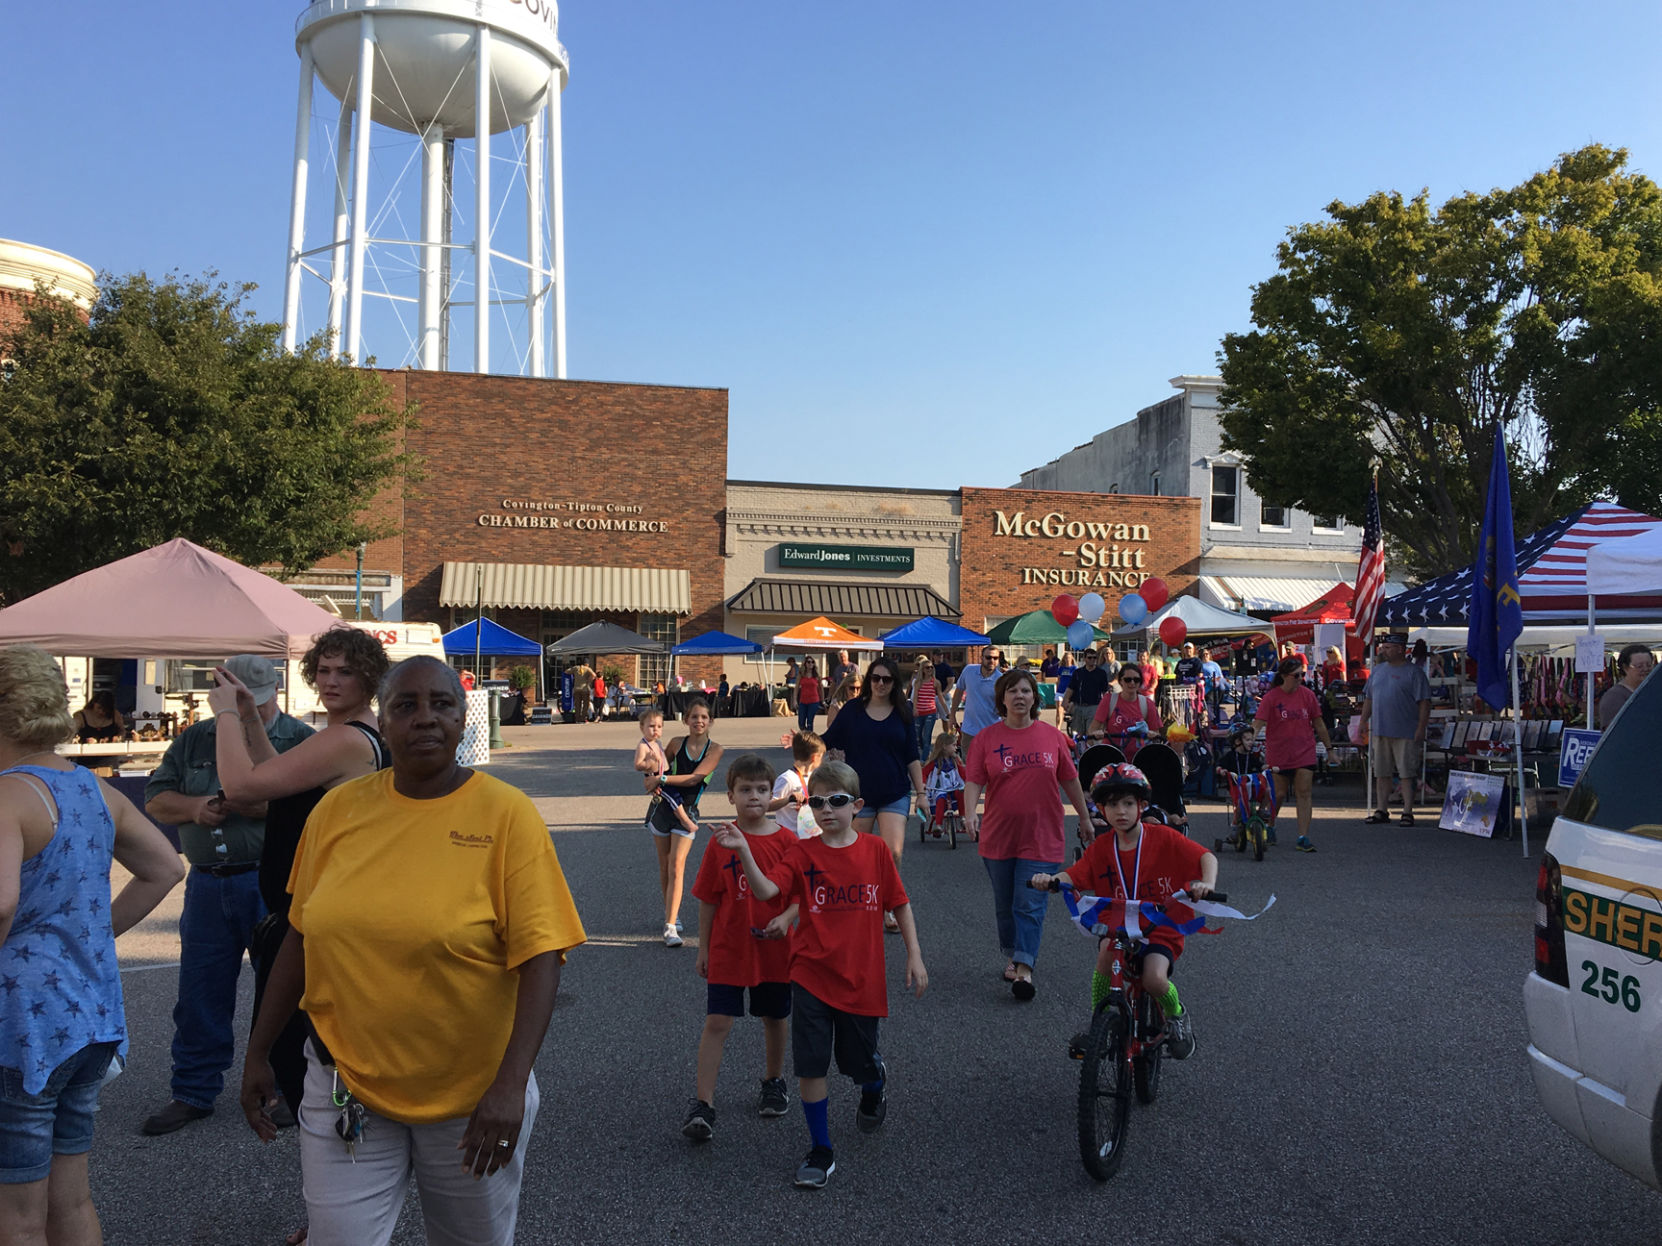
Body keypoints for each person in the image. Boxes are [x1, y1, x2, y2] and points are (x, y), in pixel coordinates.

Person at [239, 655, 585, 1246]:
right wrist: (260, 1050)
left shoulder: (507, 816)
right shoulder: (336, 812)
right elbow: (301, 936)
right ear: (384, 721)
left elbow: (542, 956)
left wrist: (510, 1085)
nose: (425, 719)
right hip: (343, 1080)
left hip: (471, 1095)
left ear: (462, 718)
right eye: (406, 705)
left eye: (442, 704)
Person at [0, 645, 184, 1243]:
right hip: (89, 1017)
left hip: (20, 1025)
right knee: (70, 1201)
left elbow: (0, 901)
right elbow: (164, 868)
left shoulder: (7, 796)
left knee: (16, 1215)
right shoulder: (89, 788)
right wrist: (91, 937)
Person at [210, 627, 392, 1143]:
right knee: (308, 1063)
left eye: (346, 671)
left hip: (315, 923)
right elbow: (277, 778)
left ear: (370, 678)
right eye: (324, 670)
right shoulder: (353, 736)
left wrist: (223, 712)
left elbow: (243, 788)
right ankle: (329, 1201)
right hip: (310, 913)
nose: (330, 681)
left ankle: (334, 1199)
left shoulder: (347, 739)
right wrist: (248, 713)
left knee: (305, 1063)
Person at [713, 760, 926, 1191]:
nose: (827, 809)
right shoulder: (802, 852)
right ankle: (820, 1148)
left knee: (856, 1062)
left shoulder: (875, 851)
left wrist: (914, 956)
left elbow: (899, 903)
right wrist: (743, 852)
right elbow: (768, 891)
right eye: (818, 802)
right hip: (809, 973)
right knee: (811, 1064)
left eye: (839, 801)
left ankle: (873, 1082)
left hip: (860, 979)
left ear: (857, 805)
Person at [141, 655, 313, 1136]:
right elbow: (156, 798)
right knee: (199, 991)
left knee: (278, 991)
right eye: (236, 706)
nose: (247, 714)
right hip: (208, 881)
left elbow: (300, 807)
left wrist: (242, 802)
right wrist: (196, 807)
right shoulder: (194, 737)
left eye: (254, 705)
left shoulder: (300, 741)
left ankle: (282, 1088)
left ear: (273, 694)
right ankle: (192, 1091)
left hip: (269, 881)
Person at [1028, 763, 1218, 1061]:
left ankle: (1177, 1017)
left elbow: (1206, 856)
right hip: (1118, 927)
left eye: (1129, 803)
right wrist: (1051, 880)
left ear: (1142, 805)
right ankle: (1098, 1023)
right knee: (1105, 954)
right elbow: (1074, 875)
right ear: (1101, 810)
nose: (1121, 811)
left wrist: (1206, 883)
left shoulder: (1163, 837)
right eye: (1113, 805)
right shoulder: (1101, 848)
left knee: (1154, 979)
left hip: (1159, 928)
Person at [681, 755, 798, 1142]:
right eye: (745, 790)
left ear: (772, 795)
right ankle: (703, 1102)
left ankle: (774, 1080)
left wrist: (787, 919)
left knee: (774, 1017)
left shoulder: (786, 841)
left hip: (774, 949)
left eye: (762, 790)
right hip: (730, 947)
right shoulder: (721, 842)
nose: (754, 797)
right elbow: (708, 898)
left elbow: (800, 895)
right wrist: (703, 948)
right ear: (730, 796)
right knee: (718, 1021)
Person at [961, 670, 1093, 1002]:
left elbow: (1070, 780)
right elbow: (974, 780)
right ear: (1002, 699)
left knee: (1030, 904)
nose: (1019, 696)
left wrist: (1086, 817)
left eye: (1026, 691)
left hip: (1042, 835)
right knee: (1005, 905)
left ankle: (1024, 968)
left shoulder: (1052, 736)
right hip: (999, 835)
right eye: (1012, 691)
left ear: (1035, 698)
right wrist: (969, 813)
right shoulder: (986, 739)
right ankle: (1014, 952)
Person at [820, 655, 926, 934]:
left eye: (887, 679)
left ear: (894, 683)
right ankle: (857, 901)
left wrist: (922, 792)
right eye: (875, 678)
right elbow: (826, 741)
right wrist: (802, 745)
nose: (880, 683)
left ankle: (887, 905)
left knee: (893, 851)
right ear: (869, 680)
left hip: (895, 792)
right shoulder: (853, 710)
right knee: (856, 855)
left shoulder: (903, 711)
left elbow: (912, 756)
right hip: (858, 796)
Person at [645, 698, 723, 947]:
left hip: (688, 811)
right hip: (662, 809)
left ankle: (669, 929)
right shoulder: (676, 744)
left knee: (677, 866)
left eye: (704, 717)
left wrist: (662, 781)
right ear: (686, 720)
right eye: (694, 717)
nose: (699, 721)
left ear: (711, 721)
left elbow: (694, 779)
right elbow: (657, 765)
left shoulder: (715, 749)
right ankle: (672, 913)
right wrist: (650, 778)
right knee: (665, 865)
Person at [1252, 656, 1333, 853]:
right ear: (1284, 676)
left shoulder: (1308, 695)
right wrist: (1246, 741)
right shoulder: (1272, 698)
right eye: (1296, 675)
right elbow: (1258, 723)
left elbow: (1319, 723)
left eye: (1302, 675)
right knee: (1278, 794)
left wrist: (1330, 750)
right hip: (1279, 752)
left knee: (1304, 793)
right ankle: (1270, 825)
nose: (1300, 679)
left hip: (1304, 750)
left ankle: (1303, 837)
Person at [1357, 633, 1432, 826]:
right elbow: (1369, 698)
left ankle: (1407, 811)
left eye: (1388, 647)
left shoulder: (1414, 672)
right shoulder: (1378, 670)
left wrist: (1421, 728)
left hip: (1406, 731)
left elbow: (1424, 702)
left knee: (1407, 773)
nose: (1384, 650)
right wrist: (1363, 721)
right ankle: (1382, 809)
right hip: (1380, 730)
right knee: (1381, 772)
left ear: (1400, 649)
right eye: (1383, 647)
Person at [1088, 663, 1164, 761]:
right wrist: (1097, 735)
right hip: (1112, 758)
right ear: (1120, 681)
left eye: (1136, 680)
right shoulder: (1109, 700)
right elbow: (1091, 731)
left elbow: (1156, 735)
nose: (1132, 683)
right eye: (1128, 680)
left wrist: (1152, 735)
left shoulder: (1147, 704)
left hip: (1139, 759)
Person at [769, 730, 826, 839]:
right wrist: (788, 799)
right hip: (789, 838)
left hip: (810, 834)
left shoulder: (814, 776)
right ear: (815, 757)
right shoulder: (787, 779)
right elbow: (767, 805)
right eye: (822, 756)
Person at [950, 646, 1003, 753]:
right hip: (970, 731)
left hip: (993, 731)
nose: (992, 661)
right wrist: (952, 715)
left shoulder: (1001, 680)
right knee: (969, 766)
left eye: (995, 658)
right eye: (988, 657)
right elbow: (959, 691)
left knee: (990, 767)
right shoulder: (969, 670)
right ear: (981, 658)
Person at [1597, 644, 1655, 728]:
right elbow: (1613, 732)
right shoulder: (1615, 696)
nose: (1645, 669)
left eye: (1649, 665)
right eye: (1639, 666)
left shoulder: (1653, 691)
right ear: (1625, 668)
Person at [1061, 646, 1110, 738]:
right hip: (1079, 706)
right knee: (1077, 734)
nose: (1092, 660)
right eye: (1090, 657)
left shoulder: (1101, 673)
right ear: (1084, 659)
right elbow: (1071, 688)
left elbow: (1105, 692)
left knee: (1091, 733)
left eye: (1095, 657)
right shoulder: (1078, 673)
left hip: (1094, 706)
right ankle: (1079, 751)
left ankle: (1089, 750)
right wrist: (1065, 701)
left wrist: (1106, 708)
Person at [909, 657, 942, 762]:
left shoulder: (936, 683)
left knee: (927, 736)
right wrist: (914, 709)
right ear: (922, 670)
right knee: (918, 736)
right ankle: (925, 753)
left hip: (930, 712)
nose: (930, 670)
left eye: (931, 667)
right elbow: (915, 697)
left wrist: (948, 712)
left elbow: (940, 698)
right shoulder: (918, 682)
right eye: (927, 668)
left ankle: (923, 760)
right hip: (919, 712)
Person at [795, 659, 823, 731]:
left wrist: (822, 700)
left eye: (812, 662)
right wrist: (795, 700)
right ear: (805, 664)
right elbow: (796, 688)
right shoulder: (801, 675)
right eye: (809, 662)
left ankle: (809, 738)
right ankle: (804, 735)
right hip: (803, 701)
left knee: (810, 721)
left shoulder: (816, 676)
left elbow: (821, 688)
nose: (810, 664)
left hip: (814, 701)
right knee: (801, 722)